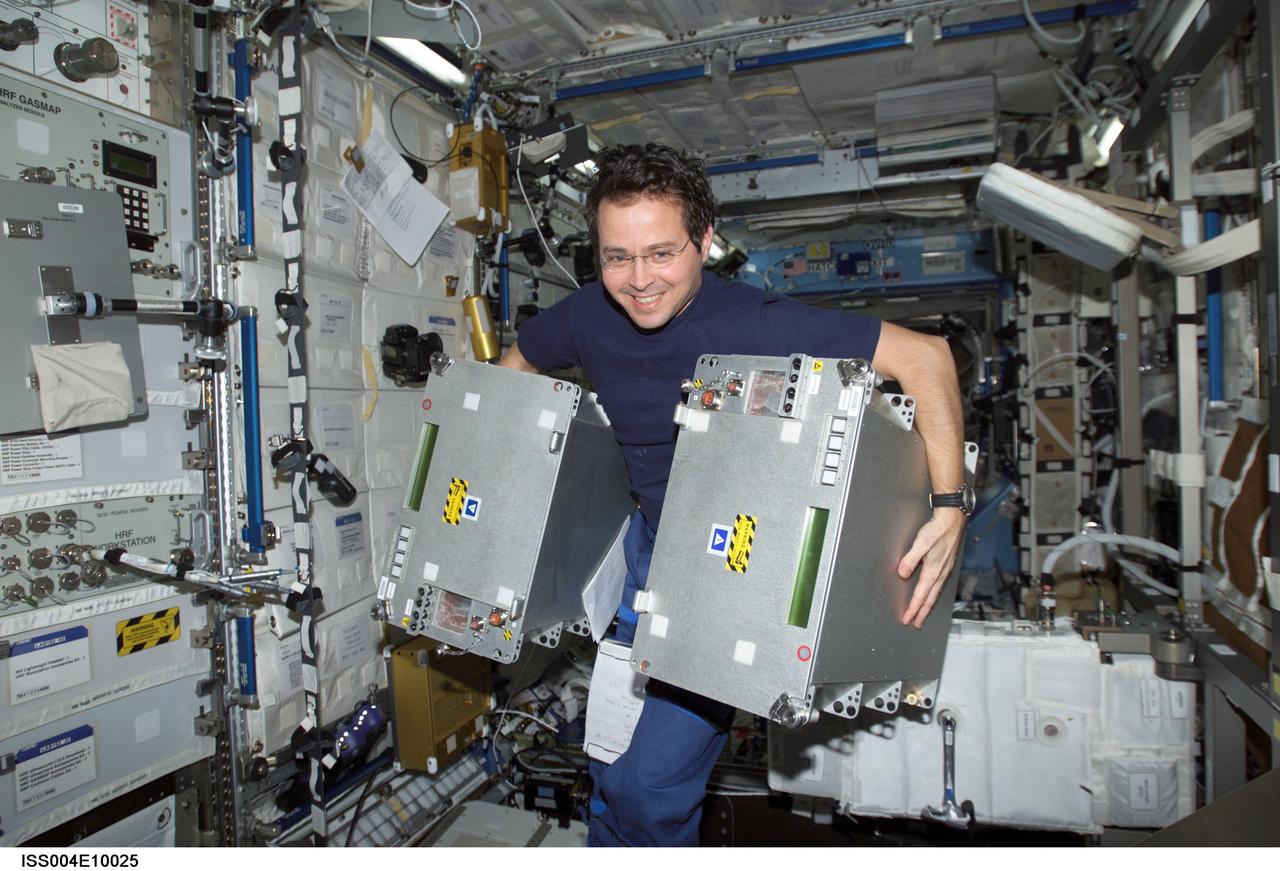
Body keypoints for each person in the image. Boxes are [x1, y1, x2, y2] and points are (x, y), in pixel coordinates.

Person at [500, 143, 966, 846]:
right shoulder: (585, 315)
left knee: (649, 785)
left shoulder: (758, 321)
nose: (638, 280)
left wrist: (950, 505)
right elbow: (518, 364)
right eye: (617, 257)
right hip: (644, 550)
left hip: (728, 565)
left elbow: (926, 358)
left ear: (706, 241)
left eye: (662, 253)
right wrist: (520, 471)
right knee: (610, 758)